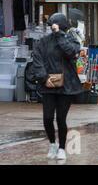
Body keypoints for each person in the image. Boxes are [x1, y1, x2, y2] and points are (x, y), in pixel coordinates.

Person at [32, 13, 83, 161]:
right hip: (48, 84)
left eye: (55, 25)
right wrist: (43, 77)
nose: (52, 28)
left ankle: (62, 148)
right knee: (47, 118)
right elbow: (37, 58)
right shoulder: (43, 42)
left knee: (61, 118)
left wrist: (60, 35)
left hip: (65, 86)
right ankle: (52, 144)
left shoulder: (71, 39)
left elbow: (70, 52)